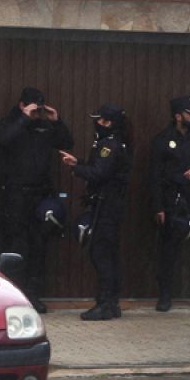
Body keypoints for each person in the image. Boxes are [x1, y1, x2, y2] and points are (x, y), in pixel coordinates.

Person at [0, 87, 72, 313]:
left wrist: (57, 122)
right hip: (15, 195)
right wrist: (24, 119)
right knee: (16, 248)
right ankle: (15, 297)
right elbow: (2, 141)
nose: (37, 113)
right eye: (33, 108)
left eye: (39, 109)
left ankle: (34, 296)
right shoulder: (7, 124)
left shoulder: (45, 127)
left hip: (40, 194)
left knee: (38, 247)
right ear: (22, 105)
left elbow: (67, 142)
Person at [64, 104, 131, 321]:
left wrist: (78, 169)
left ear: (109, 123)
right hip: (109, 206)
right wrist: (80, 163)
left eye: (102, 120)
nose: (98, 124)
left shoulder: (109, 146)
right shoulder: (112, 143)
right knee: (107, 254)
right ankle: (111, 303)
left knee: (101, 254)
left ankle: (105, 304)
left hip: (107, 207)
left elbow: (100, 173)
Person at [148, 95, 190, 312]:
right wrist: (158, 207)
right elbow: (154, 176)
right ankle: (165, 296)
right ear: (178, 116)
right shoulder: (162, 139)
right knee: (168, 254)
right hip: (173, 202)